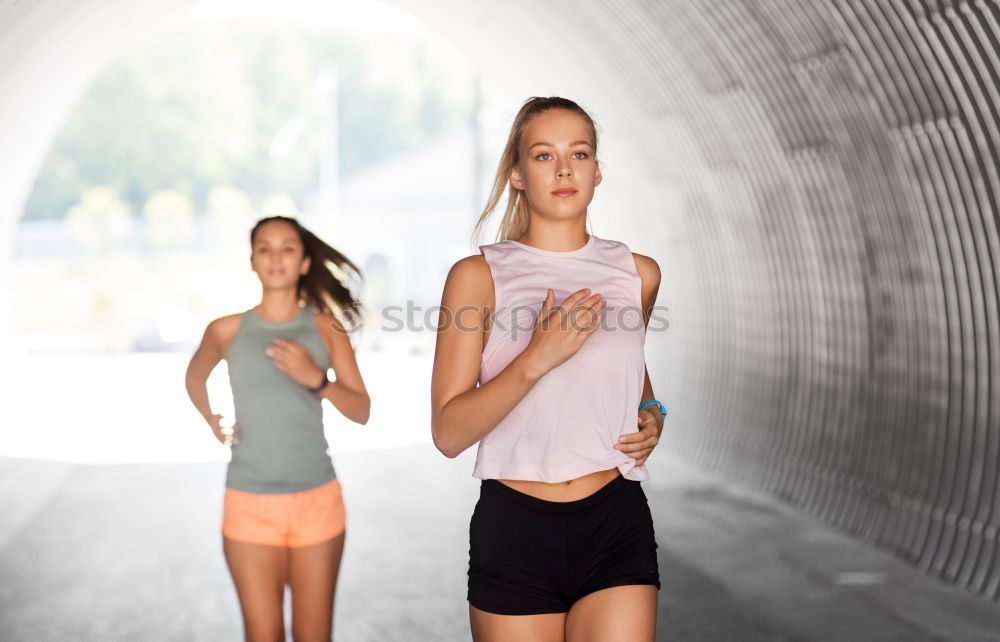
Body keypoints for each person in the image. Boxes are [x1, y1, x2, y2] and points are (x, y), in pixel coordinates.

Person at [431, 96, 667, 641]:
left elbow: (631, 370)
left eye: (579, 153)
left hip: (615, 520)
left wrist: (652, 411)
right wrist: (537, 358)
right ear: (517, 174)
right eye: (543, 156)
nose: (564, 169)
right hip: (515, 527)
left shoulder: (639, 273)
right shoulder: (478, 276)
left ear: (597, 171)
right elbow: (448, 432)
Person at [185, 215, 370, 642]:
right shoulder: (226, 330)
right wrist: (211, 418)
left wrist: (317, 380)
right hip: (248, 502)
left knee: (313, 637)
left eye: (287, 248)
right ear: (252, 260)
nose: (276, 258)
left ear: (304, 263)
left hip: (317, 500)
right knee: (263, 635)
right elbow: (194, 377)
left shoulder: (327, 328)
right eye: (265, 249)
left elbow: (361, 409)